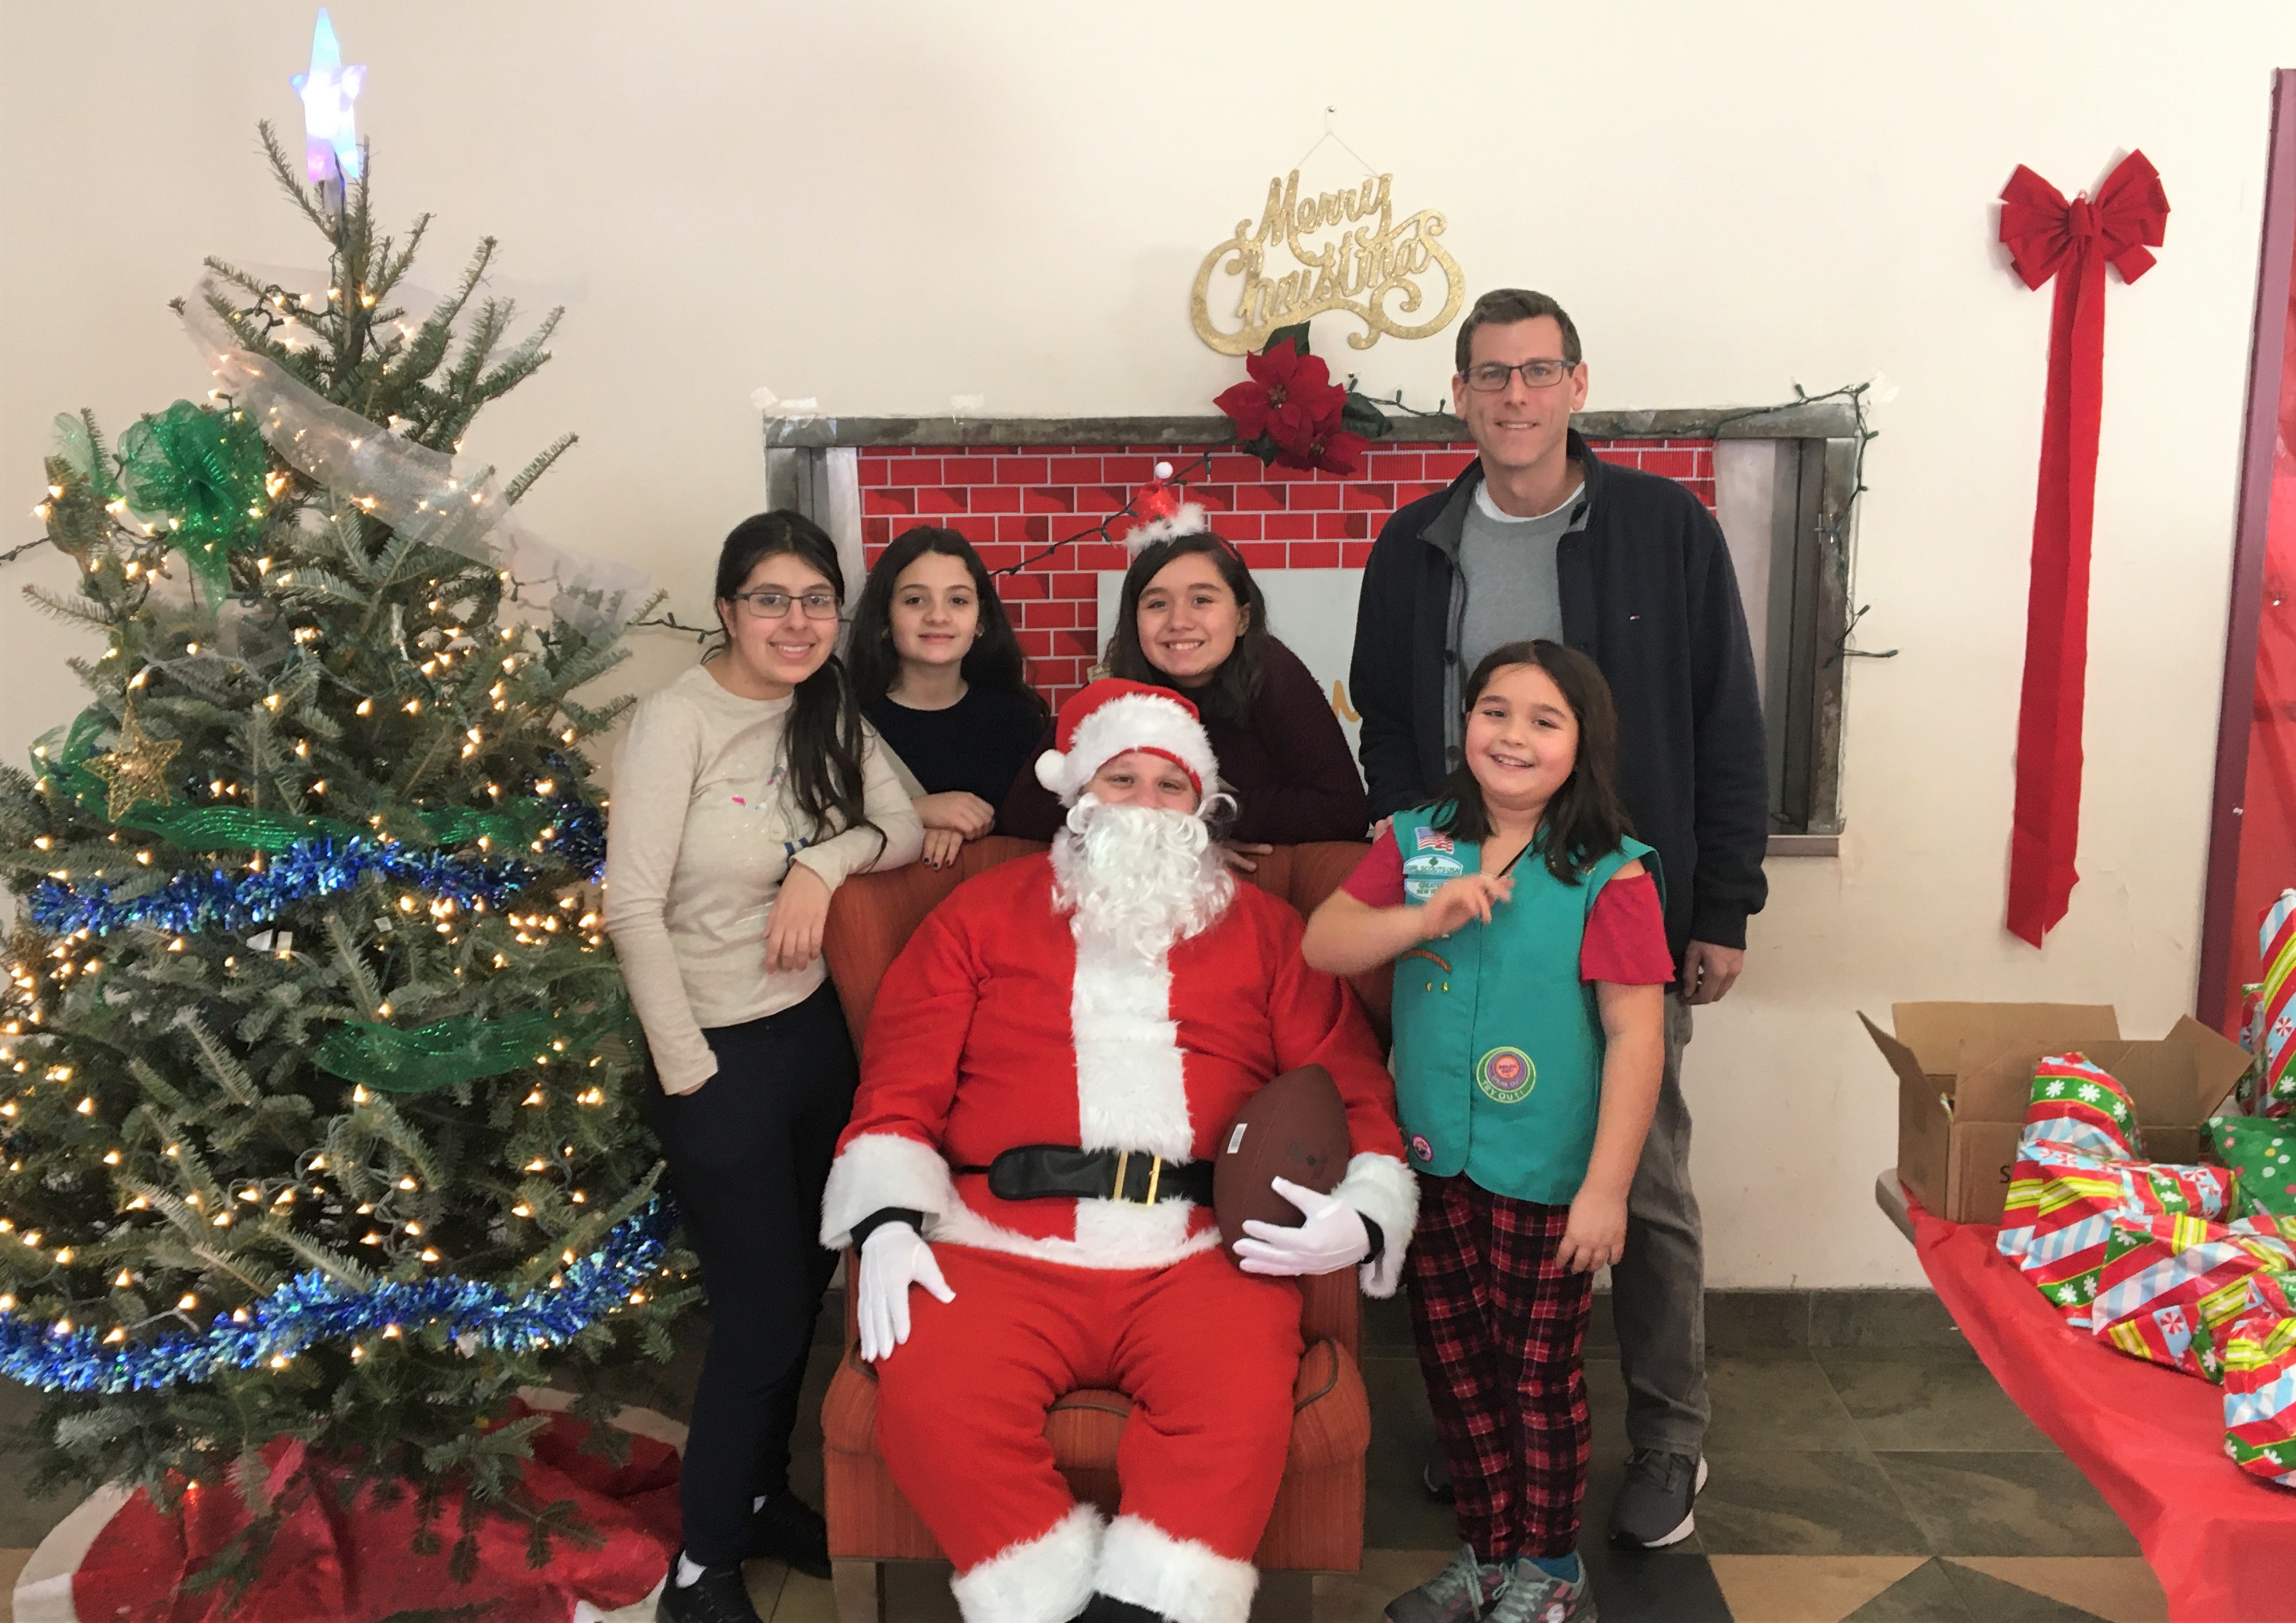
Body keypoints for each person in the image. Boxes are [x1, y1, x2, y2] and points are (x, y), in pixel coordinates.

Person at [820, 678, 1418, 1623]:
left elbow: (1346, 1081)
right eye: (1120, 778)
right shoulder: (977, 915)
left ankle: (1141, 1609)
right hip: (997, 1239)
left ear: (1203, 807)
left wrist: (1367, 1203)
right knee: (933, 1396)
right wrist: (889, 1215)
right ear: (1076, 797)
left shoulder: (1268, 932)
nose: (1144, 803)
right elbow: (900, 1078)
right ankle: (1044, 1599)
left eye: (1168, 786)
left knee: (1235, 1407)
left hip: (1197, 1249)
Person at [1349, 288, 1768, 1548]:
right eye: (1489, 375)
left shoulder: (1661, 527)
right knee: (1467, 1179)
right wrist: (1416, 880)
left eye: (1537, 372)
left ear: (1577, 385)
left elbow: (1723, 720)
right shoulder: (1413, 541)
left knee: (1633, 1183)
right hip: (1461, 917)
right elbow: (1382, 726)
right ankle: (1487, 1446)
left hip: (1616, 907)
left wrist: (1724, 902)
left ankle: (1666, 1438)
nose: (1514, 397)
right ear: (1461, 395)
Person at [1304, 642, 1669, 1623]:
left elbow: (1637, 1036)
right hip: (1434, 1163)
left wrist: (1606, 1188)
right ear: (1463, 723)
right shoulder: (1416, 838)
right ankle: (1485, 1555)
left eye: (1543, 720)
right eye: (1493, 711)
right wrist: (1420, 919)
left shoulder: (1610, 872)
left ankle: (1548, 1575)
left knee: (1537, 1380)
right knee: (1456, 1370)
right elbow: (1324, 941)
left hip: (1547, 1172)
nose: (1512, 736)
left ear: (1581, 742)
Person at [602, 511, 924, 1623]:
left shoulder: (827, 707)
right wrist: (687, 1069)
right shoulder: (675, 719)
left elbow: (902, 819)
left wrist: (818, 869)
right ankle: (702, 1562)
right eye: (771, 598)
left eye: (816, 600)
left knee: (805, 1289)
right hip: (714, 1055)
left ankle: (758, 1492)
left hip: (811, 1041)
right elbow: (629, 905)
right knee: (759, 1308)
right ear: (729, 608)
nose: (796, 621)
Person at [998, 518, 1369, 856]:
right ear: (1134, 619)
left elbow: (1341, 809)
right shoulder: (1111, 686)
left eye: (1202, 600)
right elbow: (1025, 809)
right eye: (1158, 604)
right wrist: (1175, 836)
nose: (1179, 621)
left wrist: (1208, 824)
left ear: (1242, 617)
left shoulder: (1274, 674)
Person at [848, 525, 1048, 870]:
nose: (938, 616)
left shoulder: (1020, 722)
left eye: (958, 600)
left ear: (980, 621)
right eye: (915, 600)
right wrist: (917, 814)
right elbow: (816, 824)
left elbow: (1040, 843)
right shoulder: (845, 723)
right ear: (884, 619)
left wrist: (970, 834)